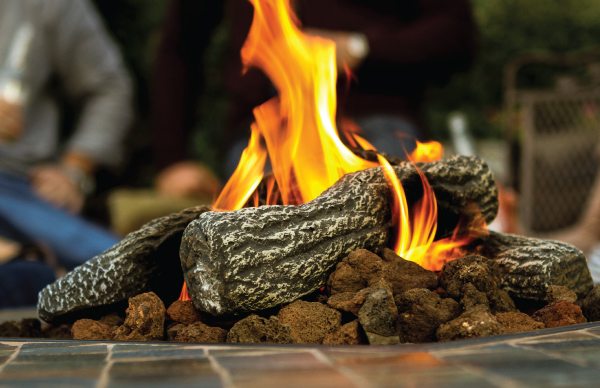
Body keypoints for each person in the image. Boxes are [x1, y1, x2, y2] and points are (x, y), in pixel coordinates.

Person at [151, 0, 477, 193]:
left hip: (378, 119)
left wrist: (360, 48)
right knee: (265, 237)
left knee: (388, 223)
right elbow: (181, 47)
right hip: (266, 130)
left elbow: (456, 32)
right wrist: (171, 160)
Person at [0, 0, 133, 272]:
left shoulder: (48, 5)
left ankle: (27, 266)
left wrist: (75, 168)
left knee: (126, 268)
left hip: (16, 188)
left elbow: (109, 88)